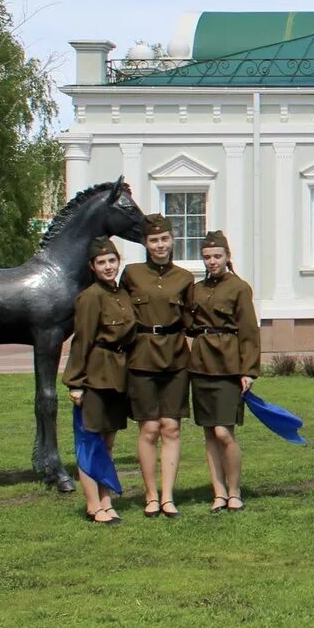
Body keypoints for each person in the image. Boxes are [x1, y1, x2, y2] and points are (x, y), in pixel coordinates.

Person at [121, 214, 195, 518]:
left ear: (172, 240)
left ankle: (168, 496)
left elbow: (193, 321)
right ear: (145, 244)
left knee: (172, 427)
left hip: (176, 357)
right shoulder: (132, 274)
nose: (160, 245)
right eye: (154, 240)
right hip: (141, 356)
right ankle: (150, 496)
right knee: (149, 428)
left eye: (164, 239)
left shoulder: (185, 278)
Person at [185, 231, 261, 515]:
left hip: (229, 365)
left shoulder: (239, 288)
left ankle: (234, 490)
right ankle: (218, 493)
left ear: (228, 257)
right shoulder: (197, 289)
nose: (212, 262)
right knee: (208, 433)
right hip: (201, 363)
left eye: (217, 256)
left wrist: (248, 370)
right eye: (207, 257)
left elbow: (249, 332)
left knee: (224, 432)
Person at [62, 237, 137, 525]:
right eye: (102, 262)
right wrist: (76, 382)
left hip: (118, 374)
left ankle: (106, 498)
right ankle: (94, 504)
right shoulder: (90, 297)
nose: (108, 267)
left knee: (108, 442)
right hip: (95, 374)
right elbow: (82, 342)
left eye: (112, 261)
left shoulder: (122, 295)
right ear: (92, 267)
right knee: (90, 440)